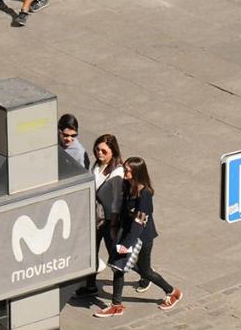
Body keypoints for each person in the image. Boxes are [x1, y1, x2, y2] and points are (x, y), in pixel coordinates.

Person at [94, 157, 183, 318]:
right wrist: (115, 228)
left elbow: (139, 222)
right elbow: (120, 208)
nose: (125, 172)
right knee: (120, 267)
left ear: (136, 173)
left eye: (128, 170)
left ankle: (172, 292)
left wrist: (127, 244)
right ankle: (117, 305)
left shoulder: (145, 194)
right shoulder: (126, 185)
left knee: (140, 270)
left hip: (141, 237)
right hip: (126, 232)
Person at [75, 133, 126, 298]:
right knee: (91, 252)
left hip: (109, 222)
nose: (99, 154)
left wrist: (113, 227)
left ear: (113, 151)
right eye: (97, 150)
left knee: (116, 256)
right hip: (96, 219)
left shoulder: (117, 173)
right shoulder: (97, 165)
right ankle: (90, 285)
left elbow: (116, 203)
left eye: (104, 151)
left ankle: (145, 272)